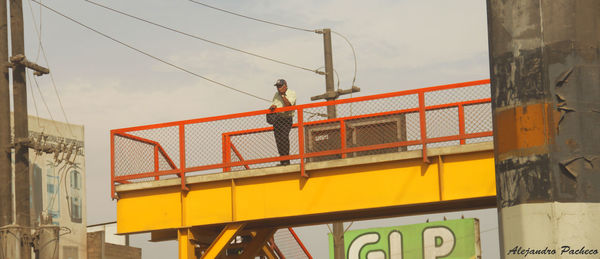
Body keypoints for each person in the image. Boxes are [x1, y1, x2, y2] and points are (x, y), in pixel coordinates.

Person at [269, 79, 296, 166]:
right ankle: (282, 161)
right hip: (278, 119)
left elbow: (288, 105)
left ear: (285, 86)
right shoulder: (276, 95)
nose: (278, 88)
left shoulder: (291, 93)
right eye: (277, 86)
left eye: (280, 86)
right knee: (278, 140)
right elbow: (274, 104)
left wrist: (283, 95)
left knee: (284, 138)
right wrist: (272, 107)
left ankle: (286, 161)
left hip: (286, 118)